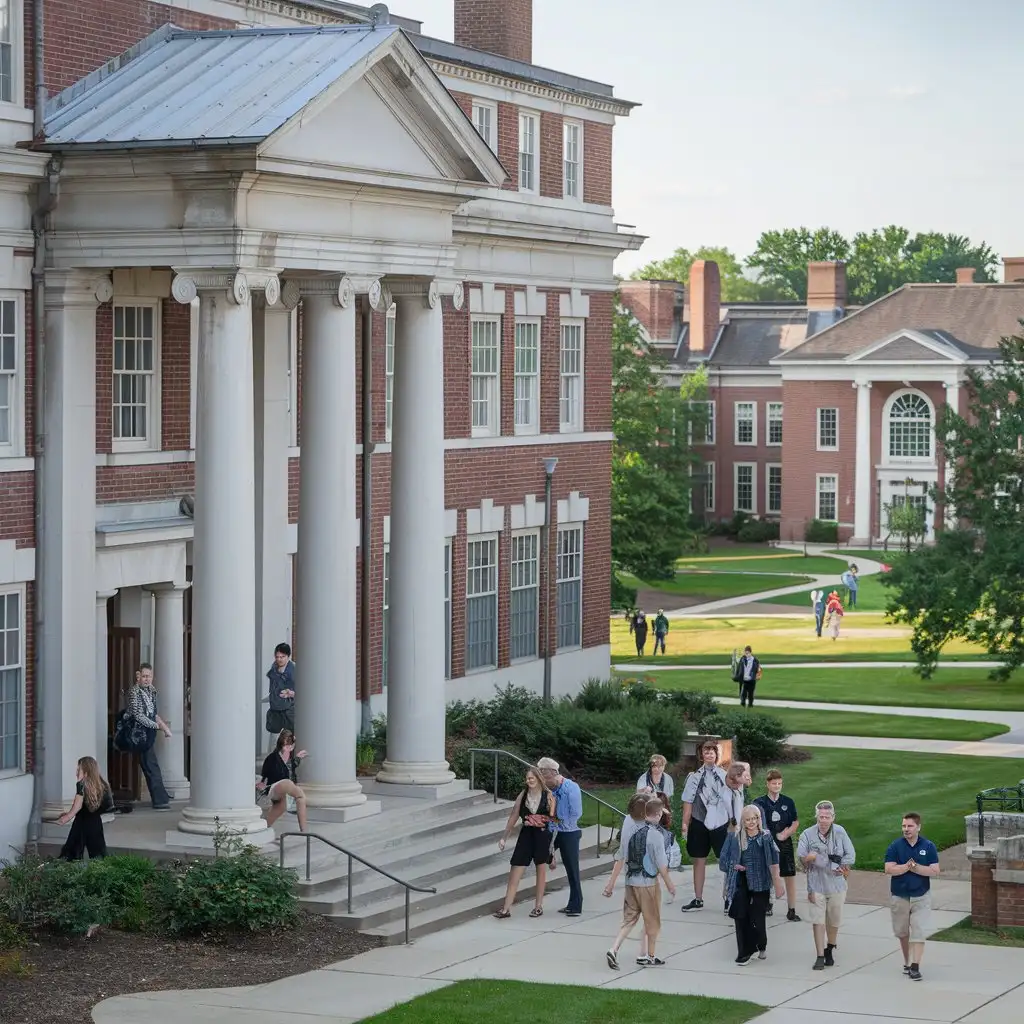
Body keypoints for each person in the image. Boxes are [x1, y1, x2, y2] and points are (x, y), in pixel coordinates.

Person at [604, 794, 677, 970]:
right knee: (652, 921)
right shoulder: (656, 836)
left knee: (629, 920)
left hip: (631, 881)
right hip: (648, 885)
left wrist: (611, 883)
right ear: (658, 814)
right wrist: (670, 885)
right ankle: (650, 956)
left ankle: (614, 949)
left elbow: (622, 856)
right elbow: (661, 865)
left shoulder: (632, 832)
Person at [720, 805, 785, 965]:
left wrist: (777, 884)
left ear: (759, 819)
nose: (751, 822)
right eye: (748, 819)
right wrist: (735, 866)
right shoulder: (734, 837)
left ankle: (760, 945)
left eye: (754, 819)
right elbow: (723, 860)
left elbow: (774, 861)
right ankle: (744, 952)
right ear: (743, 820)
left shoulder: (765, 837)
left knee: (757, 917)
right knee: (740, 916)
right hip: (740, 881)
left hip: (760, 882)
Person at [797, 800, 856, 970]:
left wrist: (841, 865)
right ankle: (820, 956)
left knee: (834, 920)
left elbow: (850, 855)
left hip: (836, 884)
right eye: (820, 817)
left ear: (833, 817)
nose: (823, 820)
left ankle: (830, 947)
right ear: (816, 817)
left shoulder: (840, 832)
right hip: (816, 884)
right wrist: (809, 858)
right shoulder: (807, 835)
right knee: (818, 920)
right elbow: (800, 859)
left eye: (827, 817)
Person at [494, 766, 557, 919]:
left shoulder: (548, 796)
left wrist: (552, 848)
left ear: (538, 779)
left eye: (532, 778)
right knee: (516, 867)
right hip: (526, 834)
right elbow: (514, 816)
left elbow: (553, 820)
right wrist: (504, 837)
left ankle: (538, 906)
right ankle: (506, 908)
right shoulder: (523, 795)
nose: (529, 781)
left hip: (542, 834)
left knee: (540, 869)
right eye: (528, 779)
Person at [885, 812, 940, 981]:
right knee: (902, 932)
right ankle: (907, 962)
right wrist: (905, 867)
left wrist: (916, 868)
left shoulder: (928, 846)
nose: (906, 829)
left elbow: (934, 870)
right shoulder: (895, 846)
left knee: (918, 930)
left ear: (918, 827)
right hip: (900, 895)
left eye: (909, 826)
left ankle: (915, 966)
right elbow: (889, 868)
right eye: (904, 826)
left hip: (921, 895)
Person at [680, 740, 730, 912]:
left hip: (720, 823)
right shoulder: (694, 777)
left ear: (716, 755)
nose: (709, 754)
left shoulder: (724, 776)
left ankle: (728, 898)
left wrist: (733, 822)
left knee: (725, 861)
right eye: (706, 751)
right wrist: (685, 823)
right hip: (699, 821)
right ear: (701, 755)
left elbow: (731, 799)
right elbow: (688, 801)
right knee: (698, 860)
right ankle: (698, 898)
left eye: (712, 751)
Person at [538, 757, 584, 916]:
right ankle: (551, 858)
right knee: (539, 853)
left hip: (569, 832)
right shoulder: (550, 790)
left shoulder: (571, 788)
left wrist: (556, 816)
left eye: (544, 776)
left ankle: (576, 904)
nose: (543, 780)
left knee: (572, 869)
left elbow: (575, 813)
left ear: (553, 773)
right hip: (554, 830)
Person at [754, 769, 801, 921]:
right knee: (767, 873)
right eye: (774, 783)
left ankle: (791, 909)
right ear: (767, 784)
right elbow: (754, 822)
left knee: (789, 874)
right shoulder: (759, 802)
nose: (777, 786)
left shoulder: (788, 801)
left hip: (784, 843)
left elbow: (795, 822)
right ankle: (767, 902)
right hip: (766, 843)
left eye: (779, 783)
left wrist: (787, 833)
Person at [128, 663, 172, 810]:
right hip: (139, 734)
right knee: (150, 765)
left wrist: (164, 727)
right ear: (139, 676)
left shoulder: (152, 691)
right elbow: (138, 715)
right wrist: (158, 726)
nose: (147, 679)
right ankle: (160, 800)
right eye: (144, 676)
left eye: (149, 676)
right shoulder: (135, 692)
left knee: (151, 765)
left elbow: (153, 714)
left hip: (148, 733)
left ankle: (161, 797)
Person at [57, 756, 112, 861]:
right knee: (98, 854)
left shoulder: (81, 785)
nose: (76, 773)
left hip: (81, 823)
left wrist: (67, 817)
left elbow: (78, 805)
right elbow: (106, 806)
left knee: (71, 853)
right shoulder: (103, 785)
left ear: (86, 772)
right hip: (95, 823)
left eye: (78, 770)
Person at [258, 729, 309, 832]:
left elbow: (290, 766)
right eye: (286, 745)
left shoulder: (288, 758)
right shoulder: (272, 758)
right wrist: (262, 784)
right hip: (273, 787)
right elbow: (265, 775)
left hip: (280, 790)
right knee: (299, 793)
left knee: (282, 806)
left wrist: (298, 758)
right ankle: (304, 831)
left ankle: (261, 828)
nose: (288, 748)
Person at [266, 642, 297, 735]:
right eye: (277, 657)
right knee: (275, 734)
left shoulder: (294, 670)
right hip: (275, 709)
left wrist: (292, 693)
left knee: (290, 736)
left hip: (289, 710)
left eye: (282, 657)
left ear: (288, 656)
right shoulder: (274, 668)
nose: (279, 659)